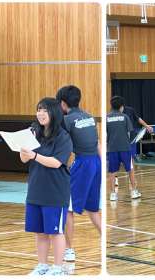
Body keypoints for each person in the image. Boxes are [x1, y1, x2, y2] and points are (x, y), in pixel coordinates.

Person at [20, 98, 73, 276]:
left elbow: (56, 162)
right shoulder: (35, 133)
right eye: (38, 110)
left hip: (55, 192)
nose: (40, 114)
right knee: (40, 232)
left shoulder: (63, 137)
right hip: (36, 190)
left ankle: (57, 268)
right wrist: (24, 148)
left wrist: (34, 155)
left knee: (55, 232)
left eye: (44, 110)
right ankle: (42, 265)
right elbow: (23, 159)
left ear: (54, 113)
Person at [56, 85, 101, 263]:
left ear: (62, 103)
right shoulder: (89, 116)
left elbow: (62, 145)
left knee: (68, 208)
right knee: (93, 208)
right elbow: (97, 143)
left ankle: (69, 250)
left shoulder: (67, 120)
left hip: (82, 163)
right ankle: (106, 239)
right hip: (96, 163)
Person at [107, 96, 141, 201]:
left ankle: (113, 194)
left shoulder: (107, 117)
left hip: (112, 149)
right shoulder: (125, 117)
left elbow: (106, 133)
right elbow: (130, 132)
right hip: (125, 148)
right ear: (121, 107)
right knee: (130, 169)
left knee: (112, 171)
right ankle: (134, 191)